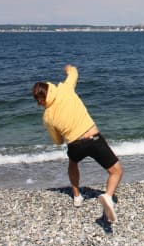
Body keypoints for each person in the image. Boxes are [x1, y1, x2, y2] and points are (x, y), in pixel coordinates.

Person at [32, 64, 123, 223]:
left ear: (40, 99)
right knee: (116, 171)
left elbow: (58, 141)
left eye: (38, 101)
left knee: (73, 162)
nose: (39, 104)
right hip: (93, 138)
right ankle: (108, 197)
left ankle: (76, 196)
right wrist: (68, 68)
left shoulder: (47, 117)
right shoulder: (65, 89)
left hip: (75, 145)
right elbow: (74, 72)